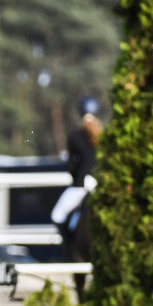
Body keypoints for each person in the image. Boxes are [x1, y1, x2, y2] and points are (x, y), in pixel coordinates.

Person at [51, 96, 104, 252]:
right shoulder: (103, 135)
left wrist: (75, 176)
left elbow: (72, 166)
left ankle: (70, 251)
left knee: (57, 215)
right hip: (100, 185)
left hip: (81, 185)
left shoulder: (75, 136)